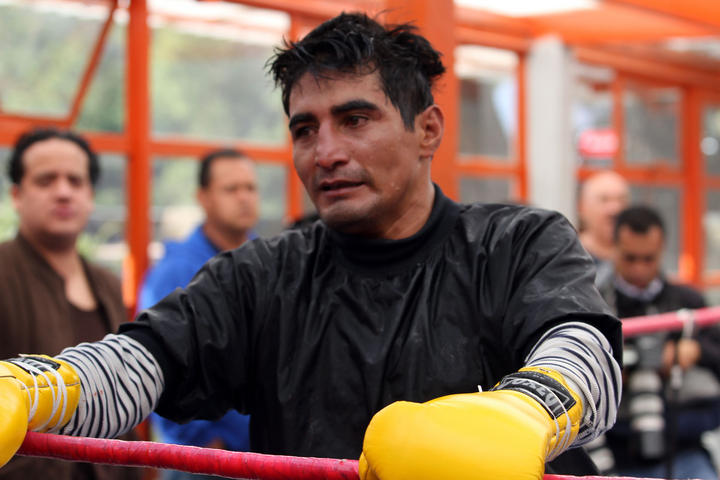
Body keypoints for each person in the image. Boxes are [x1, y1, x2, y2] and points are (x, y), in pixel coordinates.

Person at [0, 13, 622, 480]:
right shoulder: (264, 274)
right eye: (305, 129)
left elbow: (584, 354)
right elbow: (145, 360)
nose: (325, 153)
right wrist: (37, 388)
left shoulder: (516, 243)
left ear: (427, 130)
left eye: (355, 120)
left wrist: (524, 412)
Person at [0, 127, 140, 480]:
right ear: (17, 195)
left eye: (75, 181)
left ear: (90, 195)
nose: (63, 192)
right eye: (46, 180)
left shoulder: (108, 284)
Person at [139, 148, 258, 479]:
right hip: (203, 461)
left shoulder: (271, 262)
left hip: (265, 453)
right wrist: (201, 442)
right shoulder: (177, 271)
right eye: (231, 189)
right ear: (203, 197)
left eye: (250, 188)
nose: (244, 198)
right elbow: (154, 358)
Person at [595, 205, 720, 479]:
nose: (639, 268)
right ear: (614, 248)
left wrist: (694, 352)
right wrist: (609, 372)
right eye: (630, 258)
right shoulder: (595, 304)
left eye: (648, 259)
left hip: (683, 448)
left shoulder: (687, 303)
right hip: (611, 452)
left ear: (662, 249)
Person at [577, 170, 630, 284]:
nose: (614, 209)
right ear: (582, 207)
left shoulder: (639, 258)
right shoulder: (568, 256)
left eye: (621, 200)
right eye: (604, 200)